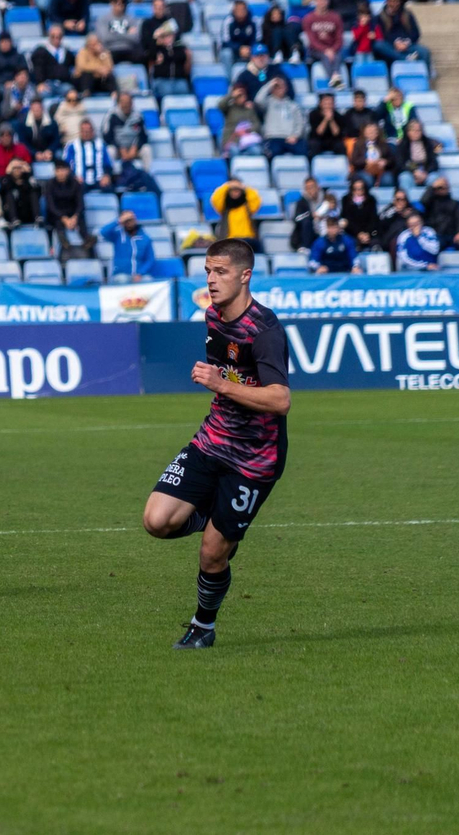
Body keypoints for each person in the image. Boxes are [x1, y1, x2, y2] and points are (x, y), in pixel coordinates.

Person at [142, 237, 290, 648]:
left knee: (211, 554)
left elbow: (280, 400)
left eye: (220, 271)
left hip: (254, 459)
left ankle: (203, 626)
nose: (210, 279)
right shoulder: (213, 316)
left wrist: (220, 383)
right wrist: (222, 385)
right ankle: (215, 522)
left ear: (245, 276)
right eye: (207, 271)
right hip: (212, 439)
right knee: (157, 521)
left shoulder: (265, 331)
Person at [210, 179, 262, 250]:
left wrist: (244, 187)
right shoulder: (224, 209)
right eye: (232, 190)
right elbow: (215, 198)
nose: (235, 193)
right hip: (230, 240)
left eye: (237, 190)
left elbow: (255, 199)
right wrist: (227, 185)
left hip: (248, 239)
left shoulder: (247, 207)